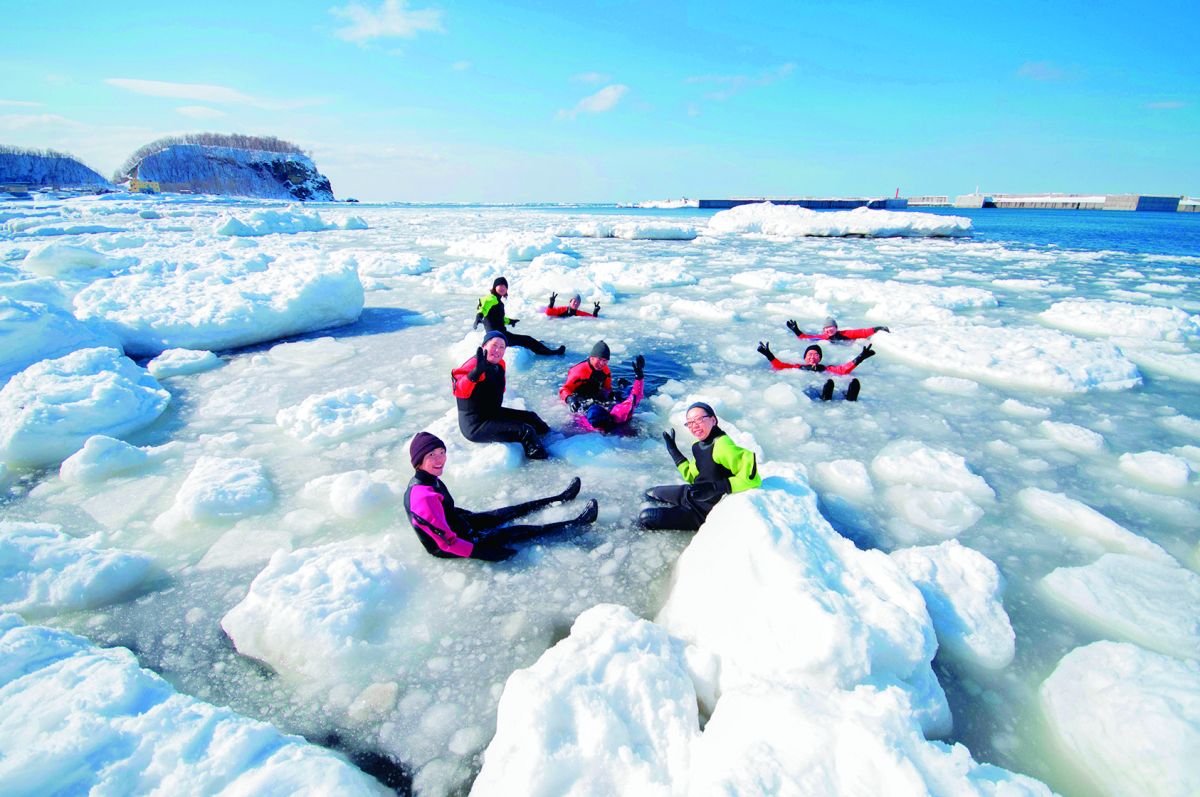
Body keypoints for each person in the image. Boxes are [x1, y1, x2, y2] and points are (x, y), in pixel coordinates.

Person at [403, 432, 598, 561]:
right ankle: (578, 523)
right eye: (431, 456)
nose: (440, 459)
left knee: (507, 512)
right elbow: (447, 544)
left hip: (457, 523)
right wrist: (483, 553)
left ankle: (560, 497)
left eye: (441, 452)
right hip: (455, 542)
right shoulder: (423, 497)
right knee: (519, 531)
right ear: (418, 461)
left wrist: (468, 517)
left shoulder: (428, 479)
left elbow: (444, 508)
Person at [638, 402, 761, 531]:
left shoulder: (723, 446)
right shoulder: (698, 445)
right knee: (650, 493)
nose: (694, 426)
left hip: (701, 511)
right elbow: (691, 476)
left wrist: (715, 487)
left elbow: (752, 479)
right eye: (690, 423)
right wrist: (674, 452)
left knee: (646, 517)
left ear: (713, 420)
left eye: (699, 419)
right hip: (692, 493)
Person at [452, 331, 551, 458]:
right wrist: (475, 374)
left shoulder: (500, 364)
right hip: (476, 425)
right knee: (526, 431)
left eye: (502, 347)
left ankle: (556, 441)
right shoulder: (473, 365)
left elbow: (497, 388)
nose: (497, 350)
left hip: (493, 413)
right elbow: (459, 390)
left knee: (533, 419)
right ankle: (542, 462)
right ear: (484, 346)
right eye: (494, 345)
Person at [560, 341, 645, 433]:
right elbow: (564, 389)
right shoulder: (577, 371)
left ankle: (624, 385)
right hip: (581, 398)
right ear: (591, 358)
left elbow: (607, 388)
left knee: (620, 401)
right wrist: (570, 400)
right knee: (595, 414)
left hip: (597, 396)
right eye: (599, 359)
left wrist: (611, 395)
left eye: (605, 361)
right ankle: (623, 385)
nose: (602, 363)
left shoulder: (606, 371)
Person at [474, 276, 565, 356]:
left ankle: (537, 345)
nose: (502, 288)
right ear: (494, 287)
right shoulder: (491, 298)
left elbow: (498, 318)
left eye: (504, 286)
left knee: (525, 339)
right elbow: (484, 305)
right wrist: (479, 315)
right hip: (497, 337)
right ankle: (549, 353)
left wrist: (510, 321)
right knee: (527, 339)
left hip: (499, 334)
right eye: (500, 285)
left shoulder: (498, 301)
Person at [756, 341, 874, 401]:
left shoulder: (826, 368)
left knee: (837, 389)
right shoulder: (798, 368)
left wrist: (860, 358)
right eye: (810, 354)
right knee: (811, 390)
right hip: (812, 390)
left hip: (826, 385)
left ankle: (849, 396)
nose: (813, 357)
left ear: (820, 358)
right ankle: (825, 396)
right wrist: (768, 354)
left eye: (816, 355)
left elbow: (843, 369)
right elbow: (779, 366)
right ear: (805, 358)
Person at [787, 316, 889, 342]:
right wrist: (796, 330)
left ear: (836, 328)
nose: (828, 330)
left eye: (831, 327)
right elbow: (806, 338)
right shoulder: (823, 337)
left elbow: (862, 332)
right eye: (826, 328)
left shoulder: (845, 334)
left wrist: (878, 328)